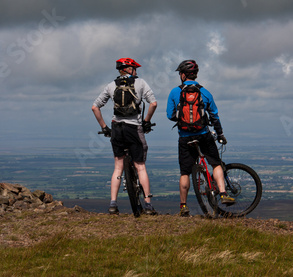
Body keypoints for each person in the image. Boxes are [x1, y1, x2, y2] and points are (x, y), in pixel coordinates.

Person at [166, 59, 234, 217]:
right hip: (204, 135)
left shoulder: (175, 92)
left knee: (184, 173)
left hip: (185, 138)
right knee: (216, 164)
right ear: (195, 75)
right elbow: (214, 116)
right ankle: (223, 194)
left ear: (183, 75)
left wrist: (183, 118)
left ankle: (183, 206)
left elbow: (170, 115)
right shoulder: (205, 92)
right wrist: (220, 133)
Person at [92, 58, 158, 215]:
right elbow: (153, 103)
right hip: (134, 128)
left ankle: (113, 204)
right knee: (140, 166)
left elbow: (95, 107)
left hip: (117, 127)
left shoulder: (111, 85)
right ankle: (148, 205)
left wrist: (104, 127)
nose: (137, 72)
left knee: (117, 167)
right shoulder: (140, 83)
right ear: (130, 69)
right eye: (135, 69)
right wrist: (146, 121)